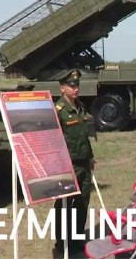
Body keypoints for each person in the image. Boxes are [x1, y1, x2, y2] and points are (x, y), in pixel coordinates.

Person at [53, 69, 95, 256]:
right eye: (71, 85)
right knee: (64, 205)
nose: (75, 88)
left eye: (77, 85)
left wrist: (90, 157)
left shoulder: (81, 107)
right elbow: (53, 139)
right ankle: (62, 242)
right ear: (62, 88)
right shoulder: (58, 111)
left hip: (83, 163)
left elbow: (84, 136)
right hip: (67, 164)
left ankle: (77, 239)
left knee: (82, 203)